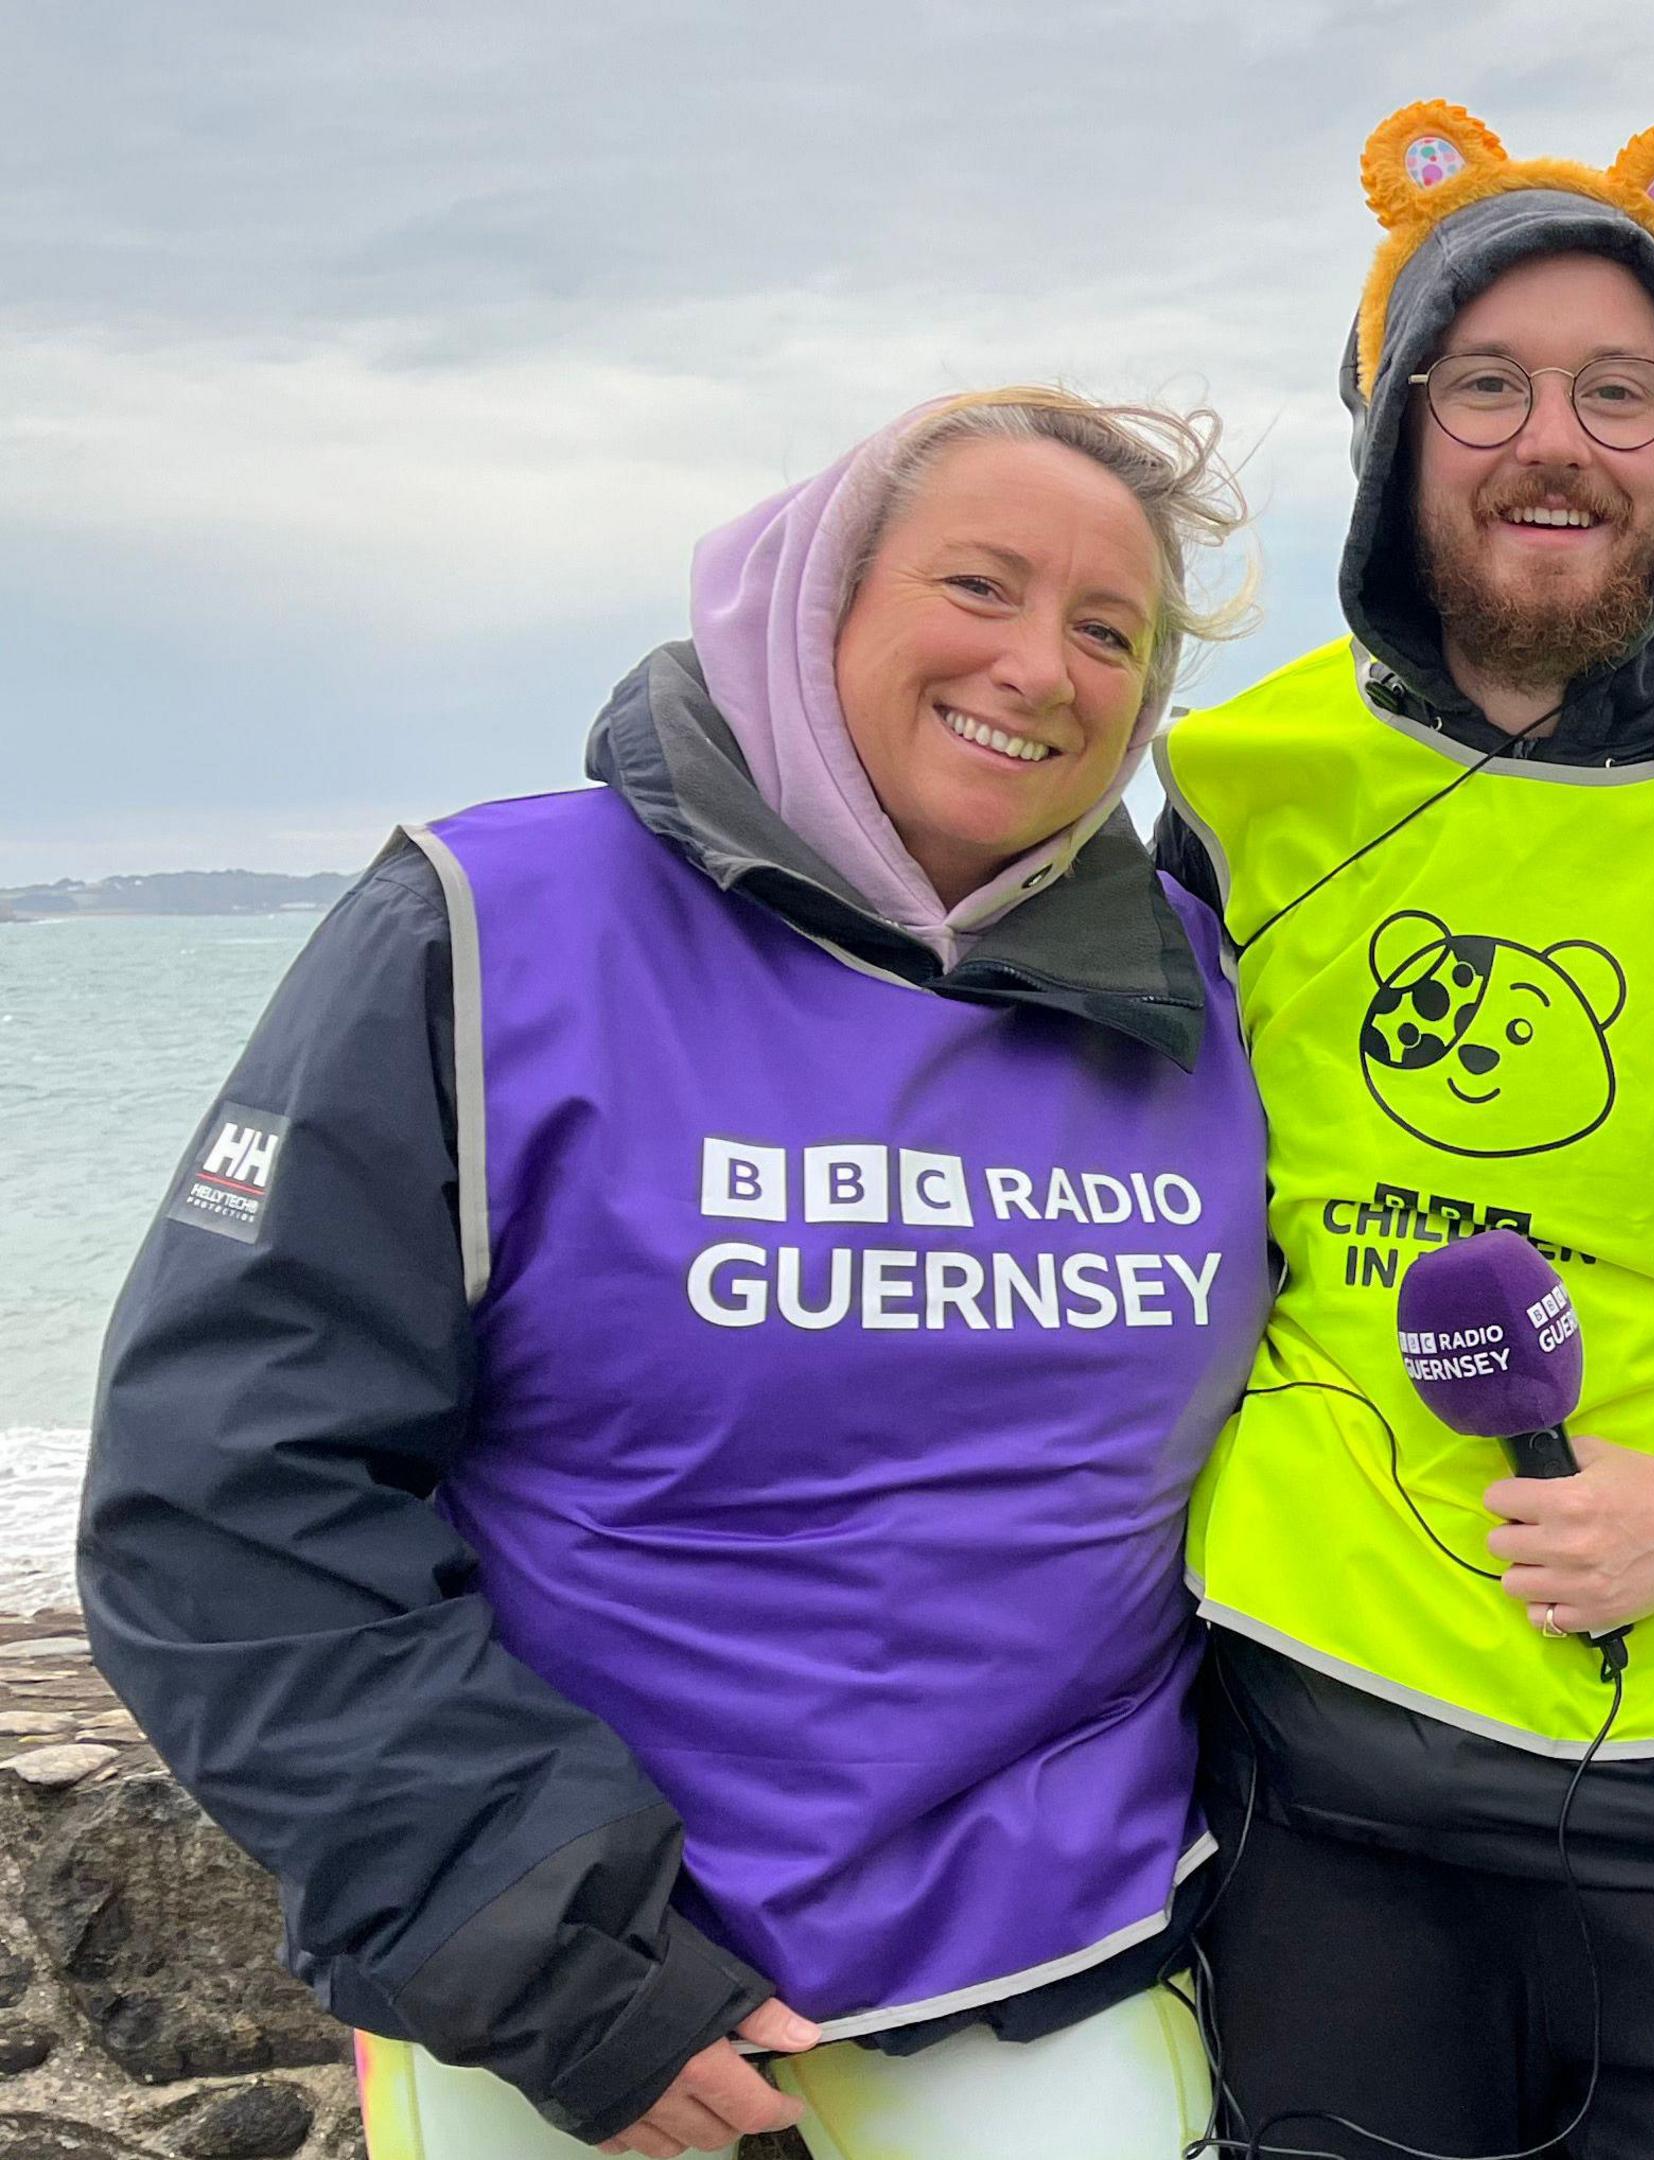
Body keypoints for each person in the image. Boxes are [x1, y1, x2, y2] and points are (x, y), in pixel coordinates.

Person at [80, 388, 1268, 2160]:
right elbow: (223, 1500)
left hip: (1067, 1977)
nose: (1043, 666)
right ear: (816, 605)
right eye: (981, 586)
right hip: (594, 2023)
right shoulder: (487, 929)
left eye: (1113, 631)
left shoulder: (1201, 992)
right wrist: (564, 1969)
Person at [1156, 103, 1654, 2160]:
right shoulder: (1237, 787)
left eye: (1626, 391)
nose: (1558, 440)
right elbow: (1097, 1246)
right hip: (1315, 1770)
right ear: (1392, 421)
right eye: (1490, 381)